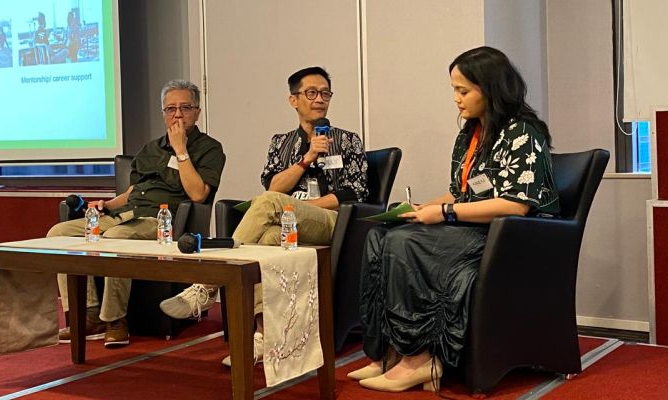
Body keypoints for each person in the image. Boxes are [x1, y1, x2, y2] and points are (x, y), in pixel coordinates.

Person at [347, 46, 560, 393]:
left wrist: (444, 213)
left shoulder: (523, 132)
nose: (456, 99)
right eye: (454, 90)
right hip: (470, 227)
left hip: (509, 238)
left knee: (404, 242)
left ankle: (419, 359)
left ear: (490, 89)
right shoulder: (470, 133)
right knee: (384, 234)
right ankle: (388, 351)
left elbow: (515, 205)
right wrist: (422, 209)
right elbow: (459, 192)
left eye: (463, 91)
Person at [159, 66, 368, 364]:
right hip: (287, 223)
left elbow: (356, 192)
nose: (320, 99)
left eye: (325, 93)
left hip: (333, 222)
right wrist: (307, 157)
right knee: (266, 239)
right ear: (293, 100)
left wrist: (304, 208)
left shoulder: (347, 140)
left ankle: (207, 285)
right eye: (311, 93)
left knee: (270, 203)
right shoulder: (281, 143)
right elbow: (273, 185)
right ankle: (264, 335)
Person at [48, 79, 225, 348]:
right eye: (170, 109)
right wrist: (107, 205)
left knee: (116, 238)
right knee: (58, 234)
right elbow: (133, 190)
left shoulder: (209, 148)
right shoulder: (150, 149)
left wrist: (180, 150)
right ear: (163, 113)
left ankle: (115, 319)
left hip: (161, 222)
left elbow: (198, 194)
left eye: (185, 108)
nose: (177, 115)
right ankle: (88, 314)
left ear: (198, 111)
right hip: (127, 214)